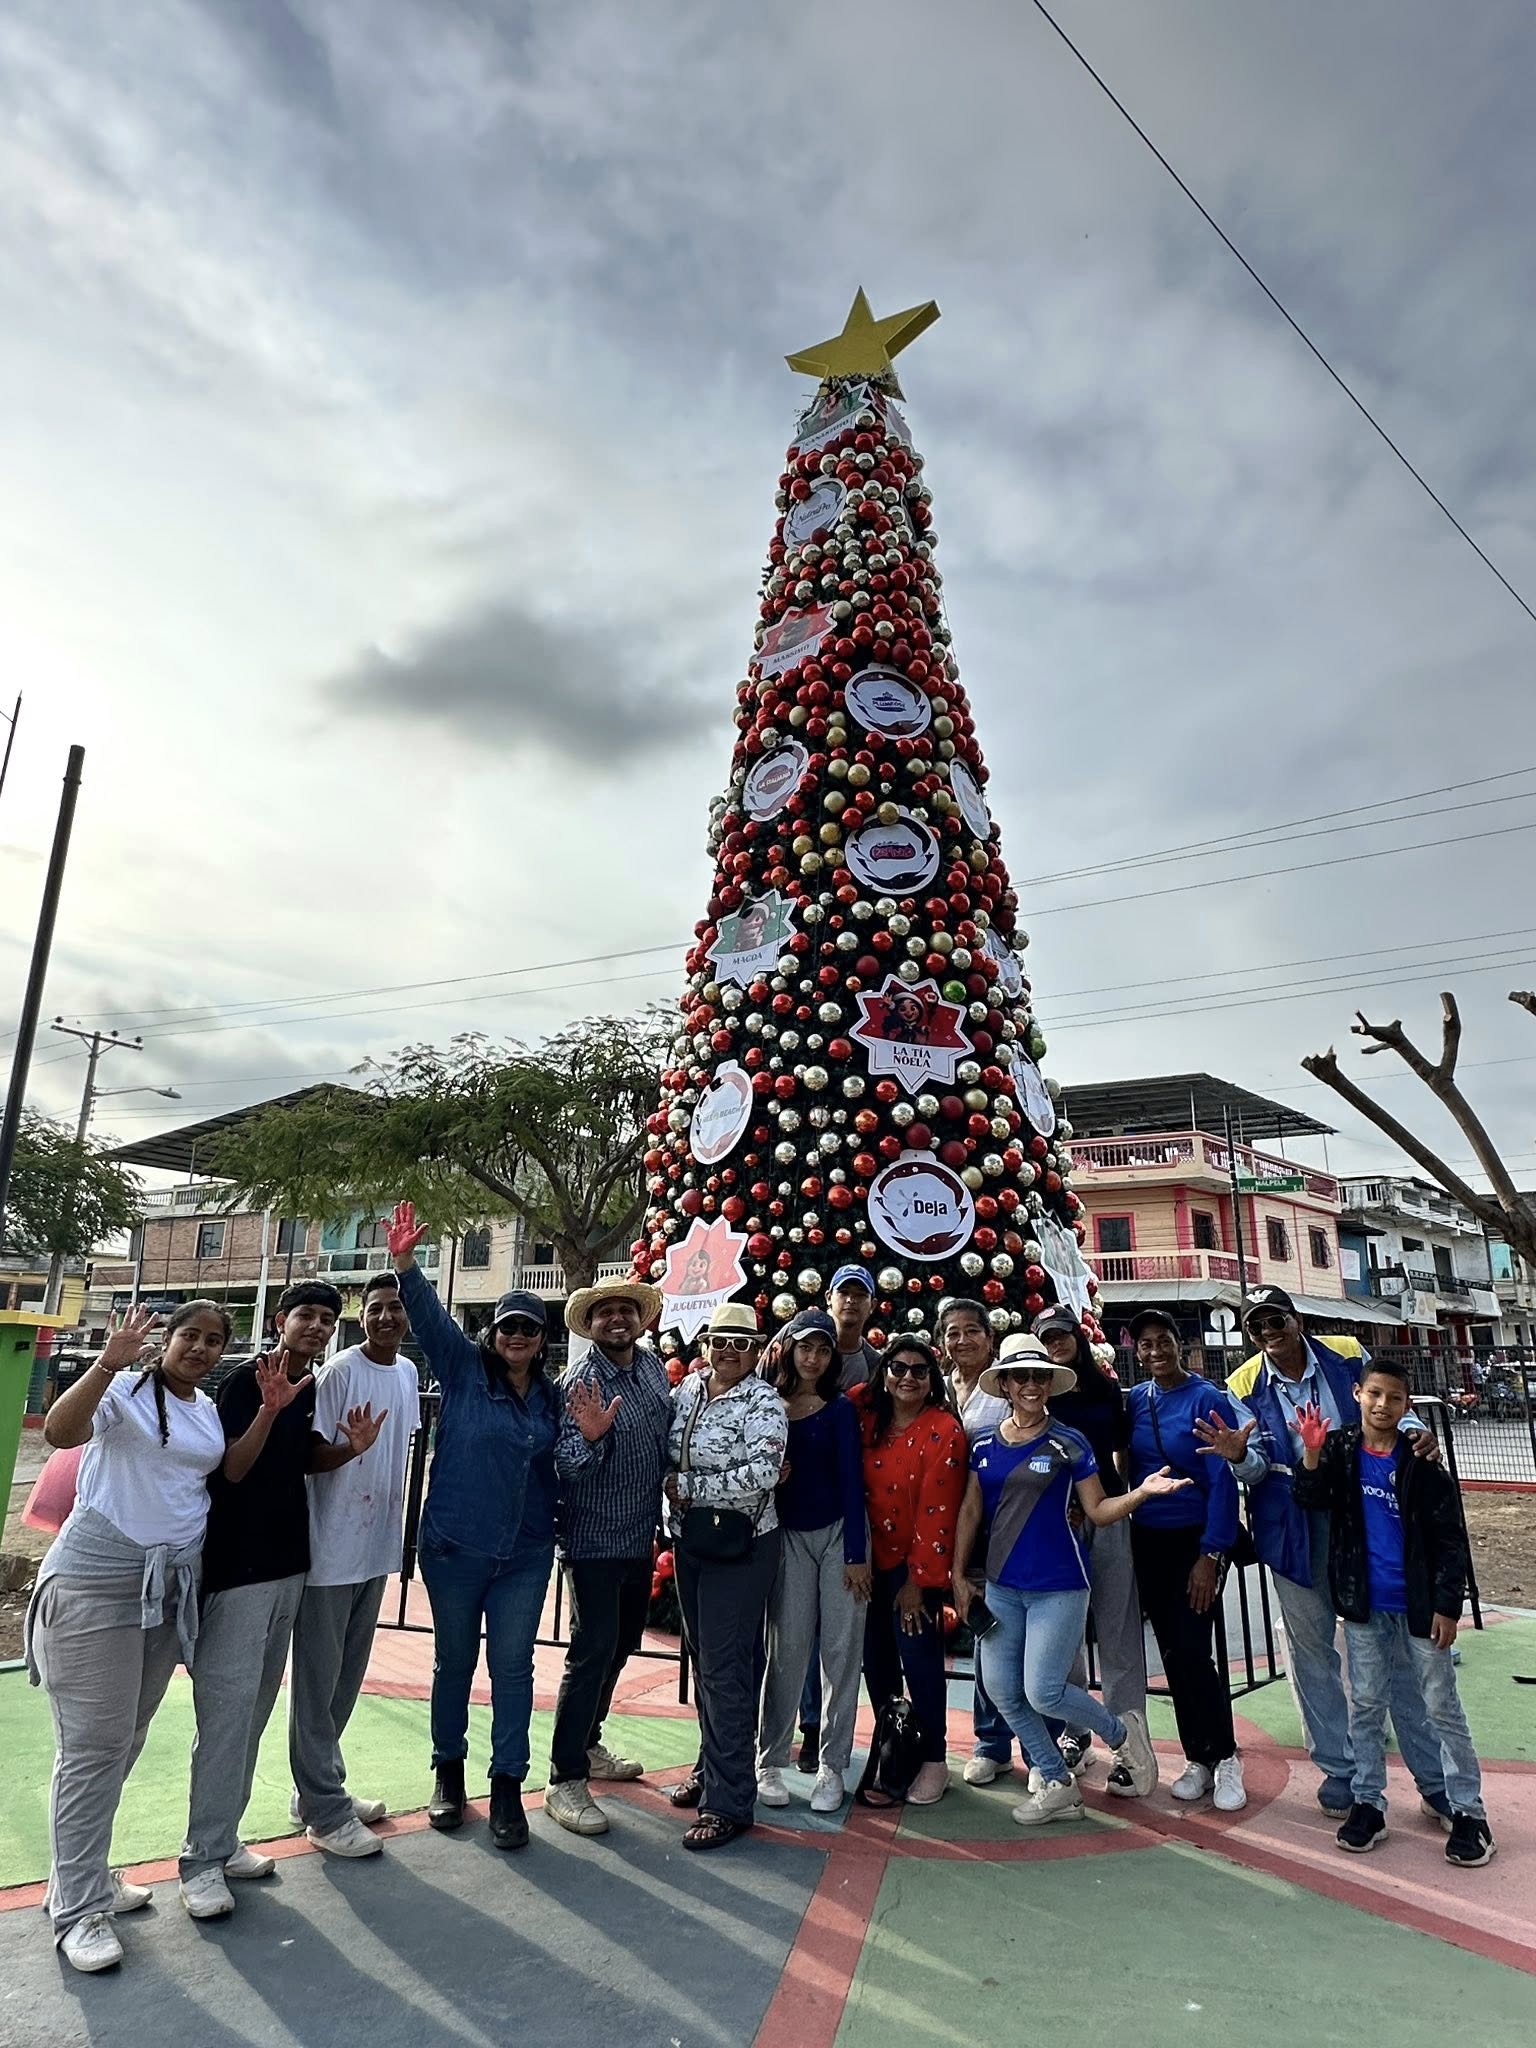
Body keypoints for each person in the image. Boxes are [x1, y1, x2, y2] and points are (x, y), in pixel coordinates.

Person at [1197, 1284, 1452, 1825]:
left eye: (1276, 1320)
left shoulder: (1346, 1351)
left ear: (1297, 1319)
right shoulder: (1241, 1383)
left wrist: (1415, 1432)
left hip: (1366, 1516)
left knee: (1395, 1647)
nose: (1269, 1332)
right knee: (1312, 1650)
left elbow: (1385, 1403)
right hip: (1292, 1525)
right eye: (1257, 1325)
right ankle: (1340, 1769)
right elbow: (1256, 1468)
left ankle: (1433, 1779)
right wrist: (1238, 1456)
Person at [27, 1304, 229, 1974]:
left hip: (166, 1593)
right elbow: (59, 1431)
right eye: (189, 1335)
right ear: (165, 1340)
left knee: (127, 1739)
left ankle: (82, 1873)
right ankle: (79, 1909)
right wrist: (106, 1364)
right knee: (92, 1748)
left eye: (213, 1340)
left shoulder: (206, 1408)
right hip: (96, 1585)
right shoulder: (121, 1392)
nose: (199, 1347)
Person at [180, 1279, 383, 1916]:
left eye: (327, 1319)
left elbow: (301, 1460)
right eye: (306, 1316)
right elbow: (233, 1469)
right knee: (228, 1716)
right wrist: (269, 1409)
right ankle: (200, 1861)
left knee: (256, 1711)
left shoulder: (307, 1387)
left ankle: (223, 1840)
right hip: (239, 1570)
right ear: (279, 1321)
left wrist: (349, 1450)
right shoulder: (248, 1381)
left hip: (290, 1565)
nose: (317, 1326)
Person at [387, 1201, 560, 1852]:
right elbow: (430, 1318)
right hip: (456, 1547)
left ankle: (508, 1783)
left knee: (513, 1669)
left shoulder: (551, 1398)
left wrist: (593, 1440)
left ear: (541, 1339)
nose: (517, 1336)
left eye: (528, 1329)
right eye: (507, 1326)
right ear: (492, 1332)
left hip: (525, 1554)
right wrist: (407, 1265)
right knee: (453, 1662)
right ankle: (449, 1771)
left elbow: (563, 1463)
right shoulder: (462, 1370)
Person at [953, 1334, 1167, 1826]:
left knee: (1044, 1690)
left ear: (1049, 1384)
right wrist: (958, 1575)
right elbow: (970, 1510)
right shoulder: (983, 1444)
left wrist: (1142, 1493)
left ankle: (1122, 1736)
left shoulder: (1069, 1441)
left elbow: (1098, 1509)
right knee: (1002, 1689)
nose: (1031, 1385)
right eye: (1021, 1377)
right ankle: (1056, 1782)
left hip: (1060, 1585)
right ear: (1005, 1385)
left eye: (1039, 1376)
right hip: (1003, 1586)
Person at [1292, 1364, 1493, 1867]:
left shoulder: (1423, 1462)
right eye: (1374, 1394)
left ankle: (1469, 1812)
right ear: (1357, 1394)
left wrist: (1448, 1605)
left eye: (1394, 1398)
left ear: (1408, 1405)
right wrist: (1311, 1453)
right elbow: (1310, 1497)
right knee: (1365, 1703)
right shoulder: (1340, 1450)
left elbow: (1450, 1539)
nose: (1382, 1405)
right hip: (1365, 1605)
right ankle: (1368, 1803)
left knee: (1441, 1706)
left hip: (1420, 1607)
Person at [289, 1268, 421, 1858]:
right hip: (331, 1550)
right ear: (361, 1317)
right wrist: (352, 1449)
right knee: (317, 1684)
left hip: (376, 1547)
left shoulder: (409, 1373)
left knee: (345, 1678)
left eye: (396, 1307)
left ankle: (316, 1789)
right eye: (375, 1308)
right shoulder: (340, 1371)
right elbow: (311, 1454)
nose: (386, 1317)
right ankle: (325, 1811)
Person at [548, 1272, 673, 1836]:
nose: (618, 1319)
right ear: (591, 1324)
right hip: (595, 1541)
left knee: (620, 1645)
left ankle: (589, 1744)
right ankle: (564, 1776)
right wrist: (593, 1438)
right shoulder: (582, 1380)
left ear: (640, 1319)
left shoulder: (651, 1367)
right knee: (591, 1651)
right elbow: (566, 1465)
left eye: (626, 1310)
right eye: (606, 1313)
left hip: (640, 1536)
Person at [666, 1301, 787, 1849]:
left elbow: (764, 1472)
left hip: (741, 1546)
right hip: (692, 1541)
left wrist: (690, 1488)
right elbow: (667, 1450)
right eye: (720, 1341)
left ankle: (729, 1802)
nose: (729, 1351)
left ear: (756, 1350)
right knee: (707, 1662)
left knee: (725, 1668)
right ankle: (712, 1766)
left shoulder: (763, 1401)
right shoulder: (689, 1389)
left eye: (741, 1343)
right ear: (706, 1345)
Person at [1122, 1309, 1247, 1811]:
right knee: (1173, 1652)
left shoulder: (1206, 1398)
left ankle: (1226, 1755)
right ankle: (1198, 1757)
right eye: (1145, 1344)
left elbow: (1222, 1479)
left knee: (1195, 1649)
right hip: (1148, 1539)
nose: (1155, 1351)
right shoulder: (1137, 1399)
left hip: (1196, 1541)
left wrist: (1211, 1554)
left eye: (1163, 1341)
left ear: (1180, 1344)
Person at [757, 1309, 870, 1814]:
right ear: (790, 1350)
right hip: (787, 1539)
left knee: (841, 1655)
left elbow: (852, 1481)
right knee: (786, 1652)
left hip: (838, 1536)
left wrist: (856, 1555)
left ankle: (832, 1765)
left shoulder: (840, 1409)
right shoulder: (768, 1404)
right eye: (805, 1347)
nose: (813, 1357)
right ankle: (769, 1759)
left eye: (823, 1350)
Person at [1034, 1304, 1147, 1793]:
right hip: (1061, 1522)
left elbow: (1121, 1449)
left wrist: (1119, 1497)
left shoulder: (1103, 1389)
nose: (1056, 1344)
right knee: (1064, 1633)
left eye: (1062, 1335)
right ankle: (1076, 1731)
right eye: (1047, 1338)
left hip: (1106, 1515)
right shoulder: (1040, 1393)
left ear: (1077, 1338)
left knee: (1117, 1628)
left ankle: (1130, 1743)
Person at [851, 1335, 967, 1806]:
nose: (907, 1378)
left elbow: (939, 1510)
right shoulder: (867, 1419)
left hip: (912, 1571)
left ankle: (935, 1758)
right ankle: (892, 1752)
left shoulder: (944, 1430)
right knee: (876, 1663)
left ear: (932, 1379)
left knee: (920, 1664)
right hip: (867, 1566)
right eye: (897, 1368)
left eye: (920, 1370)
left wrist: (918, 1582)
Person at [794, 1263, 882, 1769]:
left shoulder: (876, 1366)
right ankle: (810, 1726)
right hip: (801, 1513)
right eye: (843, 1293)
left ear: (870, 1304)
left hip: (858, 1511)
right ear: (829, 1298)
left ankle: (858, 1734)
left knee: (845, 1635)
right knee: (802, 1634)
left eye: (859, 1295)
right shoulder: (795, 1355)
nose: (851, 1302)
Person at [936, 1299, 1014, 1786]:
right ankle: (991, 1742)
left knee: (999, 1636)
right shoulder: (939, 1388)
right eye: (952, 1333)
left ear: (990, 1337)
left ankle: (1020, 1742)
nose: (962, 1340)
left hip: (1002, 1528)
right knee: (984, 1632)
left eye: (971, 1331)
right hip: (947, 1528)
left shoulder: (1005, 1388)